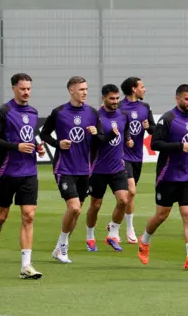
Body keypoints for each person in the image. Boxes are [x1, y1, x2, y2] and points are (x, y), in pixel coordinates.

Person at [40, 76, 110, 263]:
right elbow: (44, 133)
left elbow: (102, 139)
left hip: (84, 169)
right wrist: (57, 143)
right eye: (81, 89)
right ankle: (62, 247)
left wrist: (97, 134)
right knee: (74, 207)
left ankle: (59, 247)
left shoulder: (92, 113)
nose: (85, 92)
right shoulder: (59, 112)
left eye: (86, 89)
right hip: (64, 167)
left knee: (77, 211)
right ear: (71, 90)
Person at [0, 73, 44, 279]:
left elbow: (30, 137)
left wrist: (38, 147)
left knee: (29, 215)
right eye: (22, 88)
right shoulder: (4, 111)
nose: (26, 92)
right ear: (14, 89)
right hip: (7, 172)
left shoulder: (33, 112)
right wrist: (15, 146)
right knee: (1, 218)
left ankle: (26, 266)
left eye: (29, 88)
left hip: (29, 172)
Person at [137, 84, 188, 270]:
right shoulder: (168, 118)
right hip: (168, 175)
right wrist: (178, 146)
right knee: (161, 215)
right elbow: (155, 144)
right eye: (187, 99)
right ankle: (144, 242)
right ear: (177, 99)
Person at [85, 84, 132, 252]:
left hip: (117, 167)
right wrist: (108, 134)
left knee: (124, 200)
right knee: (95, 205)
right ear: (103, 98)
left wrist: (127, 139)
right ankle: (90, 236)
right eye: (112, 99)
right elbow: (96, 141)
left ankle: (112, 233)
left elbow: (124, 129)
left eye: (117, 98)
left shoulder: (123, 115)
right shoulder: (95, 117)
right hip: (98, 169)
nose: (115, 102)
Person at [119, 77, 155, 243]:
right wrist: (125, 138)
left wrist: (149, 128)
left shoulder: (145, 107)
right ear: (134, 89)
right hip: (121, 155)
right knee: (131, 191)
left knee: (127, 197)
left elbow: (153, 131)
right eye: (142, 86)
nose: (144, 89)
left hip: (137, 156)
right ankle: (130, 229)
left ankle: (114, 223)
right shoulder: (119, 106)